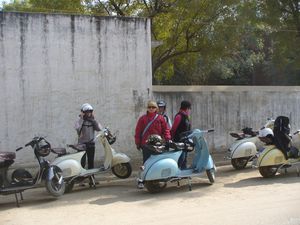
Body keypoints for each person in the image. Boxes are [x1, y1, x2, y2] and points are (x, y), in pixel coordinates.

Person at [135, 100, 171, 188]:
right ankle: (142, 181)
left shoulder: (160, 118)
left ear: (156, 108)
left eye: (153, 107)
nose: (151, 109)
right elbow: (138, 131)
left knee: (158, 163)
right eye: (149, 107)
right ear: (147, 108)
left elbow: (166, 130)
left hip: (158, 145)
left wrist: (168, 139)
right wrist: (138, 143)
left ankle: (158, 180)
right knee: (146, 163)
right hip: (146, 145)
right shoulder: (142, 119)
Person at [75, 103, 102, 170]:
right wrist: (81, 119)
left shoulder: (92, 121)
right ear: (83, 112)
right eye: (87, 112)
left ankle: (91, 178)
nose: (88, 113)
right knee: (82, 162)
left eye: (90, 112)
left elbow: (99, 128)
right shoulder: (79, 120)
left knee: (91, 162)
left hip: (91, 144)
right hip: (82, 145)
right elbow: (77, 128)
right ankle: (80, 177)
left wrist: (94, 121)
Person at [171, 100, 192, 169]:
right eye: (189, 109)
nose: (190, 110)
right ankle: (177, 170)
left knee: (185, 156)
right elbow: (173, 129)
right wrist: (172, 139)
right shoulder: (179, 116)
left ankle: (184, 170)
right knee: (181, 156)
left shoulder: (187, 117)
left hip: (185, 140)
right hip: (179, 140)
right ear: (187, 108)